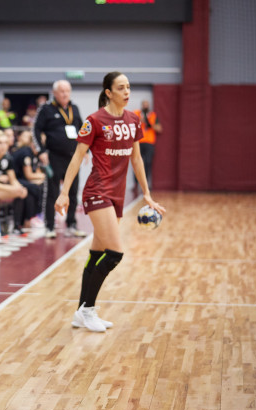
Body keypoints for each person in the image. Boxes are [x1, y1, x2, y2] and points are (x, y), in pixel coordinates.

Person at [55, 71, 165, 332]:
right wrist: (64, 192)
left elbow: (136, 159)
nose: (127, 92)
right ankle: (88, 310)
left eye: (128, 87)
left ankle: (80, 311)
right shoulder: (94, 121)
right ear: (109, 92)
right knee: (114, 253)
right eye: (121, 87)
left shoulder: (133, 119)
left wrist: (146, 194)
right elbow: (76, 158)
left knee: (96, 254)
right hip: (97, 191)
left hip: (117, 195)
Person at [33, 80, 85, 238]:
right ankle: (49, 226)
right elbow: (35, 129)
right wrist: (41, 151)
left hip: (73, 157)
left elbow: (83, 130)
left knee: (73, 191)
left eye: (67, 91)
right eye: (62, 91)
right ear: (54, 93)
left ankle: (72, 224)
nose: (65, 94)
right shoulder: (46, 109)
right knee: (52, 192)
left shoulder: (74, 108)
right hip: (54, 157)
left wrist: (86, 150)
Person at [134, 100, 162, 190]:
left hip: (149, 143)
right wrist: (140, 121)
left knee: (148, 162)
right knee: (137, 162)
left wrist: (149, 123)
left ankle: (145, 184)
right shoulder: (136, 114)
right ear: (142, 105)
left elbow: (159, 129)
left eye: (147, 105)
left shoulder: (153, 115)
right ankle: (136, 184)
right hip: (138, 142)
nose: (145, 106)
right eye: (144, 105)